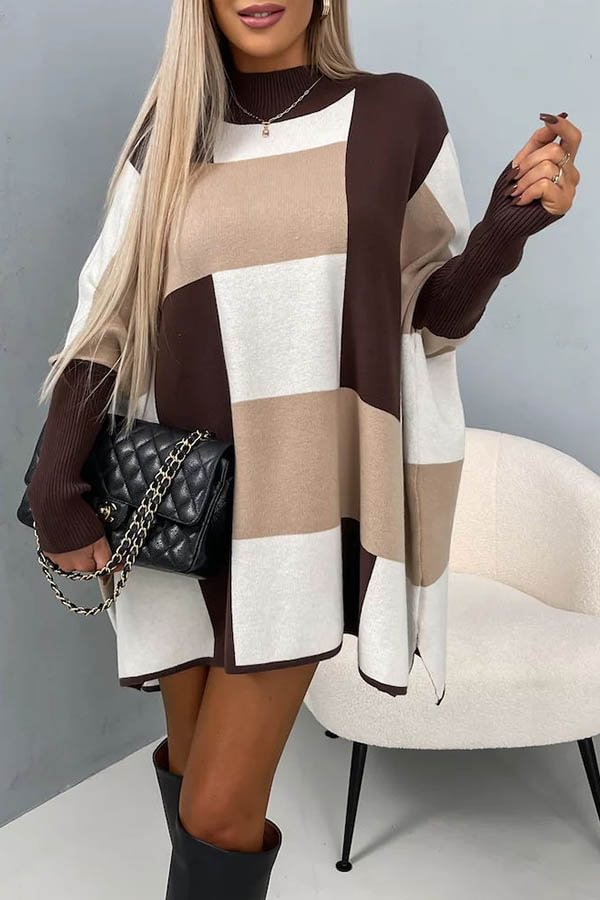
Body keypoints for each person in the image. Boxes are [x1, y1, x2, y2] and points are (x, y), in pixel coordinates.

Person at [25, 0, 581, 897]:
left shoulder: (396, 113)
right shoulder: (173, 132)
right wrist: (57, 480)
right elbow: (109, 313)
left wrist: (505, 230)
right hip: (177, 504)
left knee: (218, 813)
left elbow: (428, 315)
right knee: (191, 770)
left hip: (302, 511)